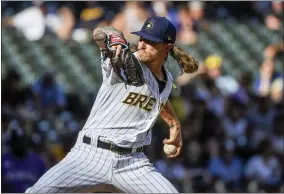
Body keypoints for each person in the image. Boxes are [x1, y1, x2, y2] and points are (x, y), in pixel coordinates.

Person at [25, 16, 199, 193]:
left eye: (151, 41)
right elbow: (99, 33)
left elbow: (158, 98)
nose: (142, 44)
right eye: (142, 38)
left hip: (132, 163)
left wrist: (174, 124)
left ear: (166, 48)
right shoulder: (123, 59)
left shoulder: (167, 80)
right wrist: (115, 38)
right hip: (90, 155)